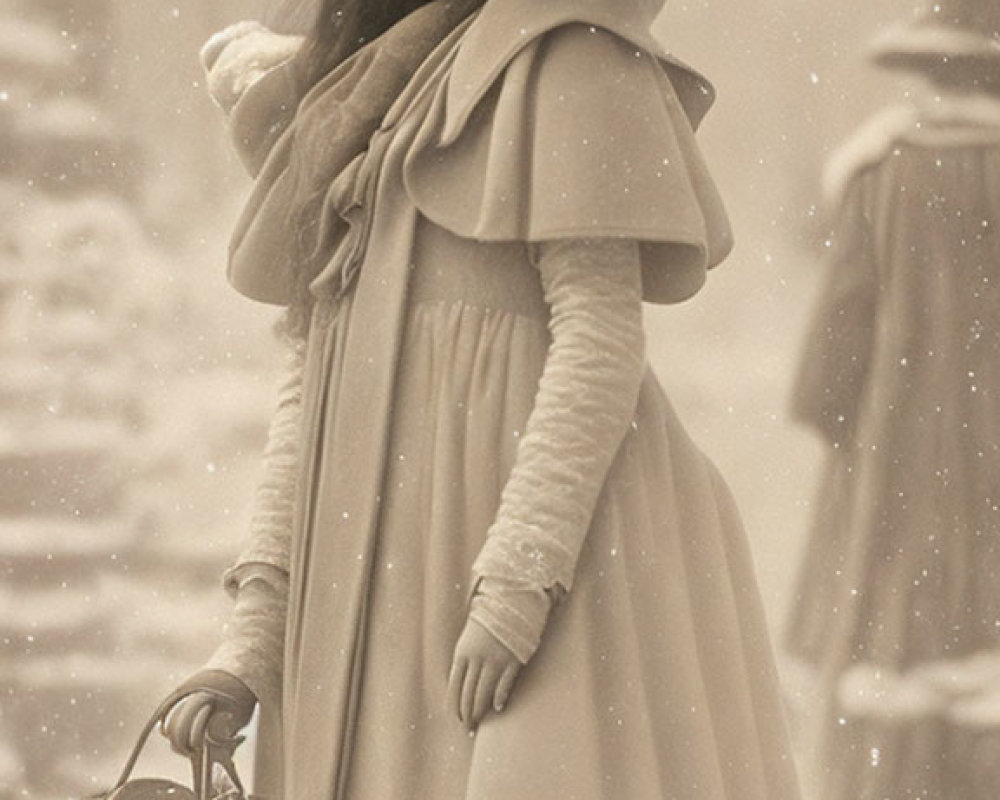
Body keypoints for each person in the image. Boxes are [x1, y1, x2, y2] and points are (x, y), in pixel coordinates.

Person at [159, 0, 802, 797]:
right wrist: (252, 640)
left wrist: (516, 586)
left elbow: (599, 341)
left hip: (548, 588)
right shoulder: (359, 94)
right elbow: (311, 388)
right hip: (368, 614)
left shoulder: (568, 57)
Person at [787, 1, 1000, 797]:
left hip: (895, 492)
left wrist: (869, 425)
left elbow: (825, 379)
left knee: (886, 704)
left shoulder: (881, 180)